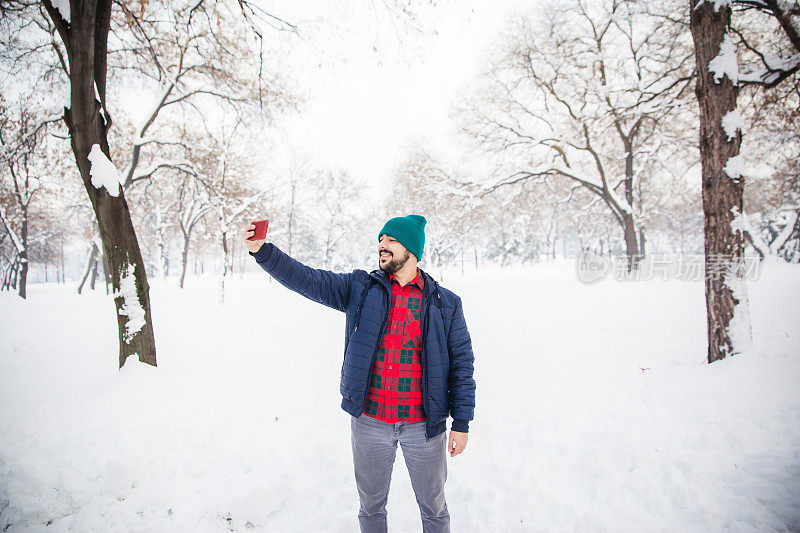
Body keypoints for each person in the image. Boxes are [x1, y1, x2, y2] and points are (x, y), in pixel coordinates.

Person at [244, 214, 476, 533]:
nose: (382, 246)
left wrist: (461, 422)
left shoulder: (444, 303)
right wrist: (264, 252)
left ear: (412, 250)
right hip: (370, 422)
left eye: (391, 240)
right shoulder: (360, 288)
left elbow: (462, 365)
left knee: (434, 507)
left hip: (424, 425)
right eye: (380, 240)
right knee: (370, 506)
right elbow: (308, 279)